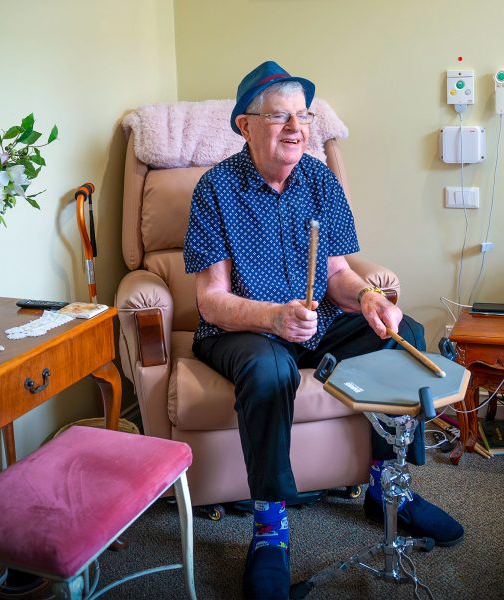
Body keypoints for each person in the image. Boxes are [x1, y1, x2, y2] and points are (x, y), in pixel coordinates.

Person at [183, 60, 463, 600]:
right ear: (245, 124)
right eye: (280, 116)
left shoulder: (319, 180)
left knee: (405, 339)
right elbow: (210, 301)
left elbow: (336, 273)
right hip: (247, 330)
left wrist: (367, 298)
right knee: (268, 371)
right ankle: (269, 528)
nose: (296, 128)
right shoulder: (214, 189)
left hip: (318, 324)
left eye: (303, 115)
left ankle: (389, 491)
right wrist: (272, 317)